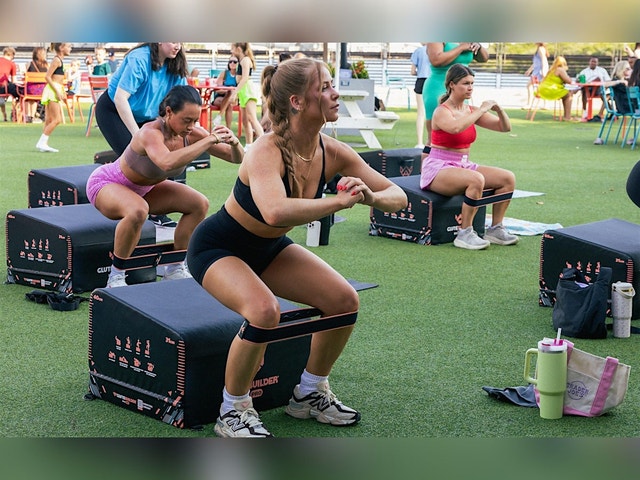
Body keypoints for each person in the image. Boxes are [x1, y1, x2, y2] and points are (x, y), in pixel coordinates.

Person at [186, 57, 407, 438]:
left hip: (269, 248)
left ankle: (309, 393)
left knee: (343, 300)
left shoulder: (332, 151)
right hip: (219, 247)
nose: (335, 94)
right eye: (325, 87)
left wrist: (369, 196)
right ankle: (233, 410)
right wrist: (337, 202)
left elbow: (398, 196)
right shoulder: (265, 149)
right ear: (297, 101)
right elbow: (274, 211)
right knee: (264, 311)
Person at [87, 85, 244, 288]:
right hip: (107, 184)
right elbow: (166, 162)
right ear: (169, 112)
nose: (191, 126)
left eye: (195, 120)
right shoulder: (150, 133)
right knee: (138, 210)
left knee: (199, 204)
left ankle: (175, 267)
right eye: (186, 120)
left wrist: (234, 143)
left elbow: (236, 158)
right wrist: (210, 140)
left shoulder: (192, 133)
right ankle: (115, 276)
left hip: (145, 189)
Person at [420, 63, 517, 251]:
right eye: (465, 83)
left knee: (507, 178)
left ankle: (496, 229)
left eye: (472, 83)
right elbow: (455, 127)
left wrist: (499, 110)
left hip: (462, 164)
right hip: (438, 168)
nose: (470, 87)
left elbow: (504, 127)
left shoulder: (470, 110)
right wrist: (481, 110)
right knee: (476, 179)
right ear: (452, 85)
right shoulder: (441, 111)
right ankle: (464, 233)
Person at [95, 42, 188, 228]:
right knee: (140, 160)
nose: (178, 46)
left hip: (147, 117)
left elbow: (183, 101)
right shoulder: (139, 58)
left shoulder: (176, 63)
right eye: (173, 41)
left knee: (169, 154)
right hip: (115, 111)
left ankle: (158, 212)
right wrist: (139, 137)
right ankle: (123, 203)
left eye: (180, 42)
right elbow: (120, 99)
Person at [422, 43, 489, 154]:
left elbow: (484, 58)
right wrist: (461, 47)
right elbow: (436, 60)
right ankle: (428, 163)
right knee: (434, 137)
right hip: (438, 86)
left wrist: (479, 47)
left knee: (460, 136)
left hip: (461, 89)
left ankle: (459, 162)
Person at [36, 43, 72, 153]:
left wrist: (62, 90)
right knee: (57, 119)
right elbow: (47, 76)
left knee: (49, 119)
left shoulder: (60, 60)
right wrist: (57, 91)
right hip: (53, 90)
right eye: (68, 46)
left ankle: (44, 144)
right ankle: (42, 142)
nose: (70, 48)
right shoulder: (57, 60)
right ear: (61, 48)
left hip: (55, 89)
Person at [231, 43, 264, 147]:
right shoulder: (241, 60)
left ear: (238, 49)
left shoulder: (245, 60)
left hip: (248, 91)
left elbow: (245, 78)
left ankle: (263, 141)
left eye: (232, 48)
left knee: (252, 118)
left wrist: (235, 92)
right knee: (245, 120)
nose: (231, 51)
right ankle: (249, 145)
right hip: (243, 91)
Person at [593, 60, 634, 145]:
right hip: (625, 107)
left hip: (627, 106)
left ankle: (634, 138)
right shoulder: (618, 81)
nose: (630, 70)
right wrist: (620, 82)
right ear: (621, 70)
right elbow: (604, 84)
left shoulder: (626, 81)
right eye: (627, 69)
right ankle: (634, 138)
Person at [537, 56, 579, 121]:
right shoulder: (560, 69)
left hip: (541, 90)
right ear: (564, 63)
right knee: (569, 94)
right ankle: (567, 117)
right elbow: (569, 81)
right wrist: (576, 81)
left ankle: (567, 116)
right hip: (550, 89)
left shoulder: (552, 69)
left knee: (566, 94)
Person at [410, 43, 432, 148]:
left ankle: (419, 142)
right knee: (433, 112)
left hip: (421, 81)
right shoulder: (437, 49)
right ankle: (432, 141)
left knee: (420, 113)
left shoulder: (418, 51)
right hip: (433, 81)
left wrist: (419, 71)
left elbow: (412, 71)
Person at [576, 57, 610, 121]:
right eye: (592, 61)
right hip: (588, 89)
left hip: (600, 88)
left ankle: (605, 113)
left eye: (595, 62)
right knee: (584, 90)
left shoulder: (602, 70)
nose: (593, 63)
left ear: (597, 63)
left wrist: (605, 87)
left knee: (605, 95)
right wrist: (578, 80)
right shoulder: (584, 71)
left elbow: (608, 80)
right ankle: (585, 111)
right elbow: (579, 80)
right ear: (589, 62)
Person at [211, 56, 239, 128]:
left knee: (230, 97)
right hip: (221, 97)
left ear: (238, 64)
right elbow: (218, 90)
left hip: (234, 98)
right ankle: (228, 129)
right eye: (230, 62)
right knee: (229, 100)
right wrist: (227, 90)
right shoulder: (224, 73)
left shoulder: (239, 75)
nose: (232, 63)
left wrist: (232, 91)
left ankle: (219, 116)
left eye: (235, 62)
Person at [25, 46, 49, 123]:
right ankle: (32, 116)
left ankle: (27, 115)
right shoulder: (46, 65)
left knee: (25, 95)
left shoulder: (29, 64)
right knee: (34, 99)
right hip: (42, 91)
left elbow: (26, 76)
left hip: (30, 90)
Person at [524, 43, 549, 109]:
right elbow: (536, 62)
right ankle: (545, 105)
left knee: (529, 85)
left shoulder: (541, 48)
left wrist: (544, 70)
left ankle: (529, 104)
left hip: (539, 71)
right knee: (541, 87)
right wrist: (529, 70)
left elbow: (544, 60)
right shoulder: (540, 49)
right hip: (537, 70)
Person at [0, 46, 21, 122]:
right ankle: (15, 114)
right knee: (19, 93)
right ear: (11, 55)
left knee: (1, 99)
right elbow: (14, 81)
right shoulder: (12, 64)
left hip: (2, 86)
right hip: (3, 87)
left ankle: (5, 115)